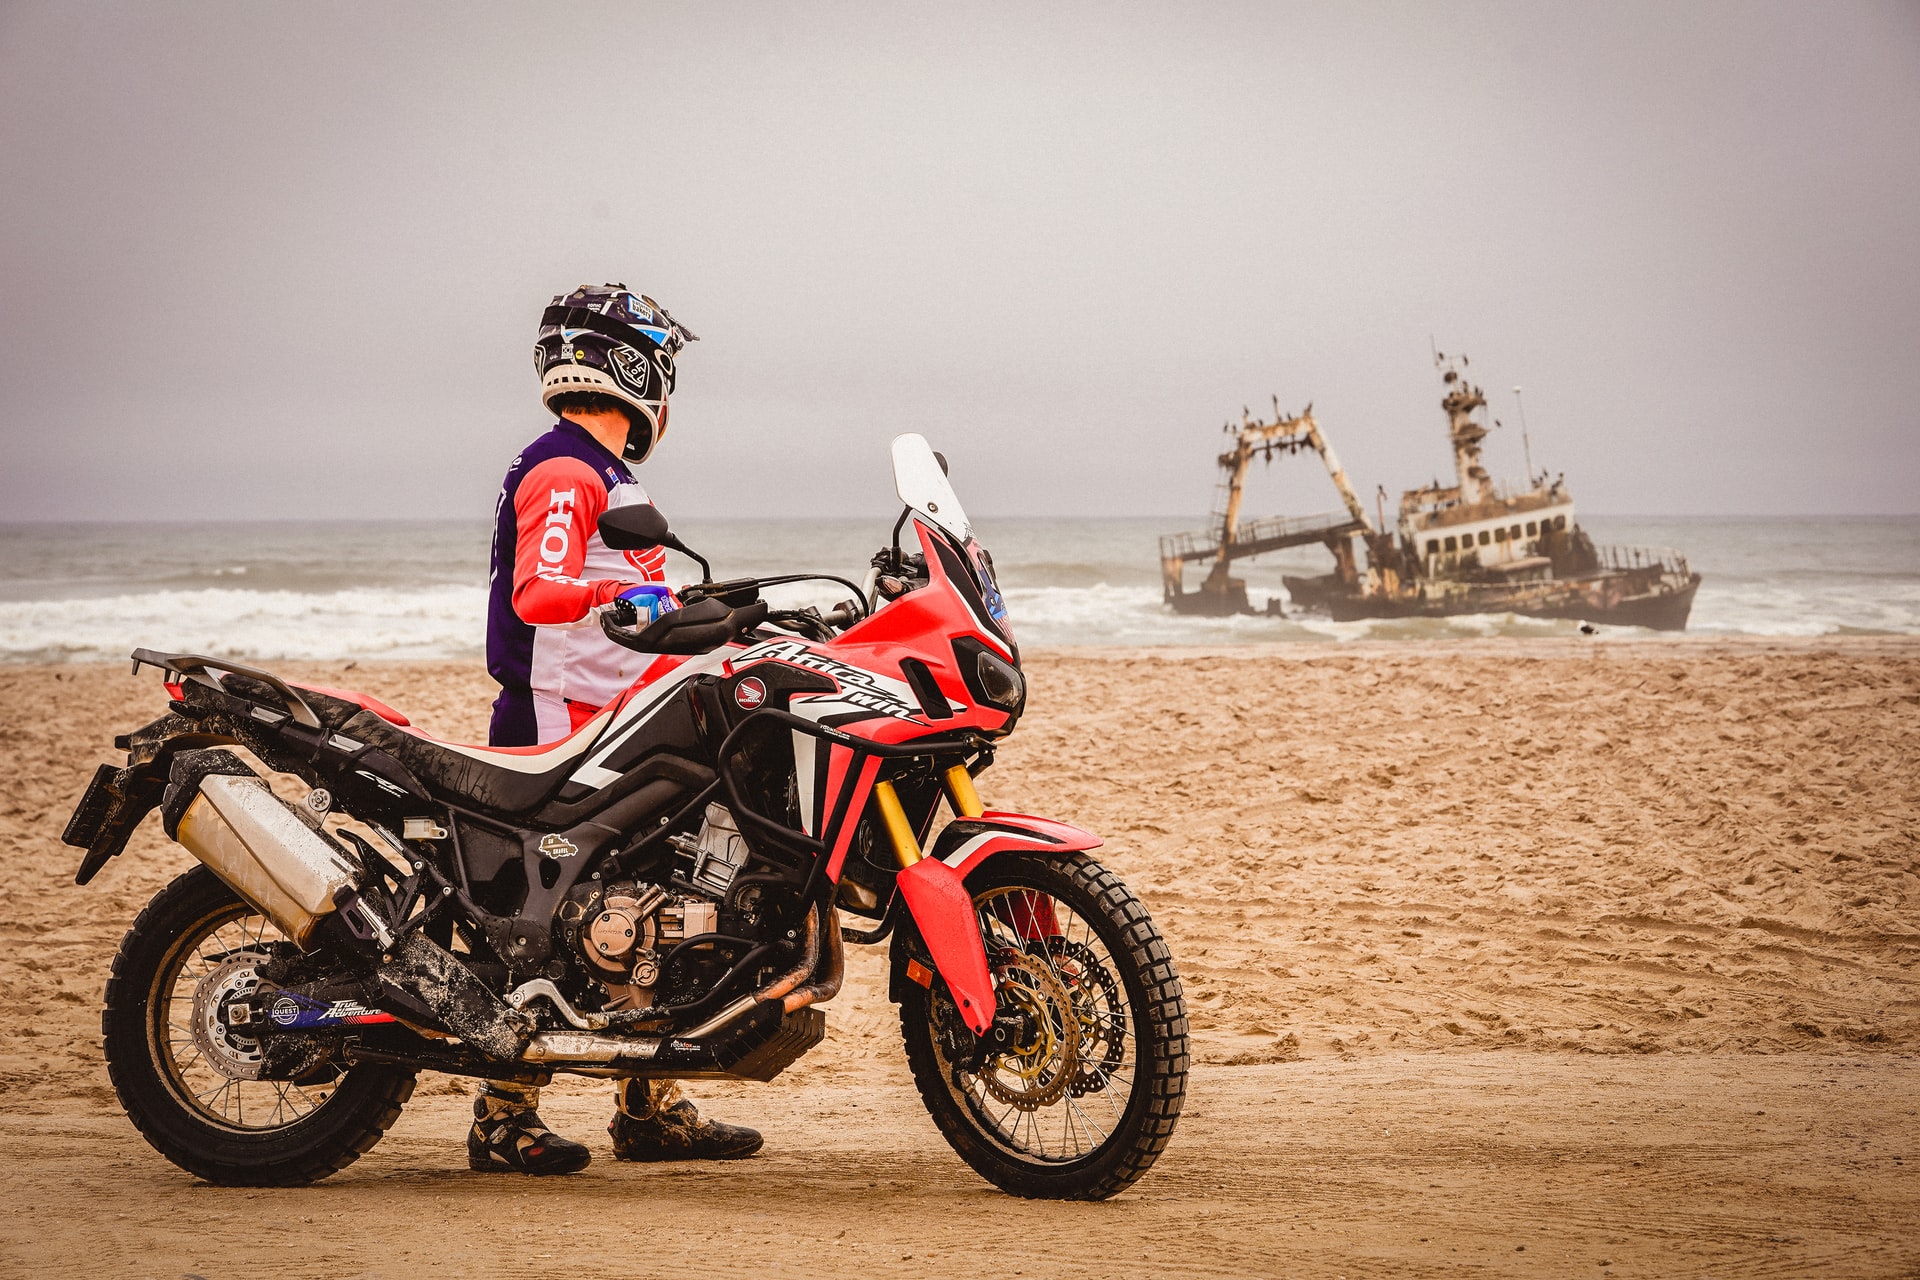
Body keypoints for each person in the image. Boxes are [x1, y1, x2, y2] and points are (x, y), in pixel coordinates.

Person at [469, 284, 763, 1175]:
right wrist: (620, 595)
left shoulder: (607, 473)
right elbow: (539, 593)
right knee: (545, 918)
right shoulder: (566, 468)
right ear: (636, 368)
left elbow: (633, 599)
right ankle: (501, 1116)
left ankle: (649, 1101)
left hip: (614, 719)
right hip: (560, 722)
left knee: (653, 896)